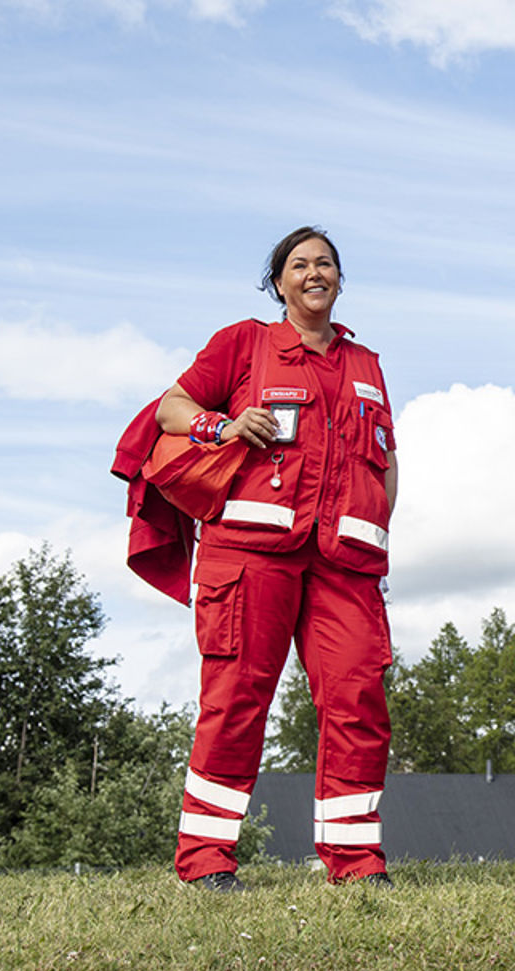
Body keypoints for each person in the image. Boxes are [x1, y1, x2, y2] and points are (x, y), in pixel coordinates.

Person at [158, 226, 398, 891]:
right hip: (251, 554)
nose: (314, 273)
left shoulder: (367, 364)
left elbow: (388, 462)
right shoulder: (244, 343)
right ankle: (205, 860)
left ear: (340, 280)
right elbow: (171, 408)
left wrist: (378, 531)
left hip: (345, 565)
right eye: (300, 264)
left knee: (358, 699)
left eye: (326, 264)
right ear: (279, 282)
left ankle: (355, 863)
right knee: (236, 700)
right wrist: (222, 425)